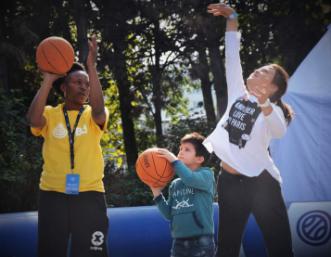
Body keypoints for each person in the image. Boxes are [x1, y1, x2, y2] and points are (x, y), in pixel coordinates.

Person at [204, 3, 294, 257]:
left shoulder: (272, 110)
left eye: (266, 71)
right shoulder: (238, 94)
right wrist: (232, 19)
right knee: (227, 249)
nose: (259, 69)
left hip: (262, 182)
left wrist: (265, 103)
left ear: (273, 88)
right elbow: (232, 57)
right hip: (230, 181)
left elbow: (278, 132)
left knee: (280, 249)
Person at [26, 36, 109, 257]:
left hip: (90, 195)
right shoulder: (50, 114)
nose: (84, 87)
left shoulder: (93, 115)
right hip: (53, 195)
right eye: (78, 82)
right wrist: (48, 79)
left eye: (87, 84)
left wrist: (91, 66)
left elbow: (101, 111)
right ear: (63, 87)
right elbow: (33, 121)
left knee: (93, 253)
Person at [150, 132, 216, 257]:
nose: (180, 152)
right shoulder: (175, 184)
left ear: (199, 159)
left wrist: (174, 161)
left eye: (187, 149)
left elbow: (190, 179)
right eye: (180, 148)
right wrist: (156, 192)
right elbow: (169, 214)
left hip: (201, 240)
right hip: (178, 242)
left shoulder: (206, 175)